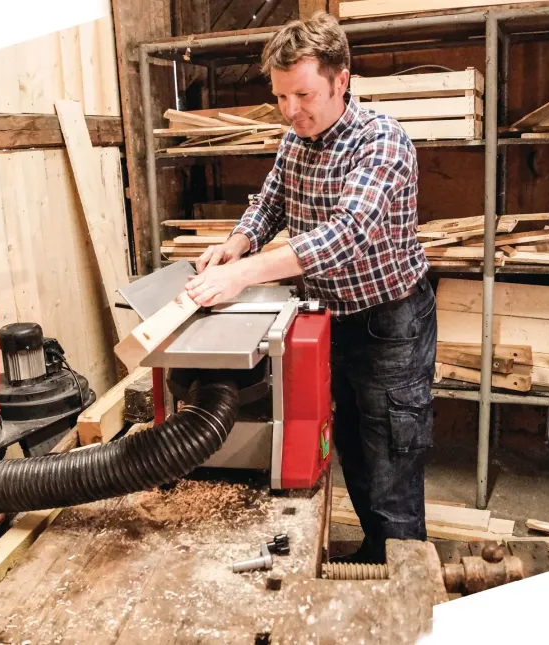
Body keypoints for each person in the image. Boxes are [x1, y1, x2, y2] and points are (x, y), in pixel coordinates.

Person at [183, 12, 437, 564]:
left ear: (341, 81)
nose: (291, 110)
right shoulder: (295, 139)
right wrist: (237, 244)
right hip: (327, 317)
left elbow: (346, 235)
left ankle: (403, 580)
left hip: (390, 322)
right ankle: (373, 556)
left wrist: (240, 275)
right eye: (281, 96)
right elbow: (271, 200)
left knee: (392, 455)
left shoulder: (381, 142)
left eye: (303, 94)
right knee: (350, 447)